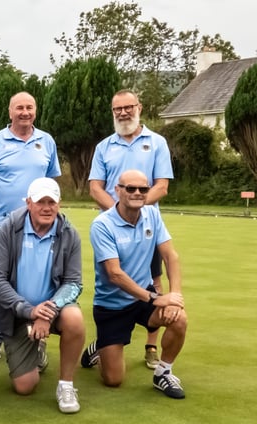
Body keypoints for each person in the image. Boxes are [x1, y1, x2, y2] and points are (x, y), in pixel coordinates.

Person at [88, 89, 174, 369]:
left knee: (155, 283)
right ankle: (104, 341)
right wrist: (118, 211)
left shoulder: (157, 142)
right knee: (114, 281)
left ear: (139, 107)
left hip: (147, 227)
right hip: (113, 230)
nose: (123, 112)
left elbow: (161, 185)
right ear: (112, 112)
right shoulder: (104, 146)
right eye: (117, 109)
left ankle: (151, 346)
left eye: (128, 107)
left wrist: (136, 205)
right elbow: (95, 187)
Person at [82, 170, 187, 399]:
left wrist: (174, 297)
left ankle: (163, 373)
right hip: (111, 305)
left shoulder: (152, 215)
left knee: (179, 319)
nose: (137, 193)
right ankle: (100, 346)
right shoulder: (102, 225)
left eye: (143, 189)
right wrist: (155, 298)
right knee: (113, 380)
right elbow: (115, 274)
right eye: (130, 188)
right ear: (118, 190)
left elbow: (171, 257)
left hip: (143, 298)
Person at [0, 178, 85, 413]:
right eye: (40, 201)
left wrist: (48, 310)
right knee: (25, 386)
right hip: (17, 313)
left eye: (51, 202)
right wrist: (29, 310)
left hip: (54, 309)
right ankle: (37, 348)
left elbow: (73, 283)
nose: (46, 207)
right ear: (28, 203)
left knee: (74, 318)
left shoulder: (69, 233)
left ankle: (66, 385)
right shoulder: (10, 227)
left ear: (59, 204)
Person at [0, 91, 61, 360]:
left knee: (38, 281)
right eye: (19, 108)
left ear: (35, 111)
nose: (24, 112)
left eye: (29, 107)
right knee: (1, 279)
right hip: (2, 224)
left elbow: (51, 183)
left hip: (40, 224)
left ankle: (36, 336)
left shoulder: (46, 141)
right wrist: (2, 208)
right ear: (10, 111)